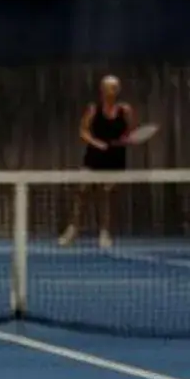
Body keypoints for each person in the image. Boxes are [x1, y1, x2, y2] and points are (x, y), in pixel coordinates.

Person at [59, 72, 136, 248]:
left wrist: (126, 139)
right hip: (93, 158)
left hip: (115, 160)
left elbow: (130, 132)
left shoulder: (125, 110)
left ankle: (104, 233)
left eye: (116, 88)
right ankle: (72, 230)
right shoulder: (93, 109)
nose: (113, 90)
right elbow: (83, 131)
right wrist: (96, 143)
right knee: (82, 192)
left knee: (107, 196)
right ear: (102, 90)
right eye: (110, 87)